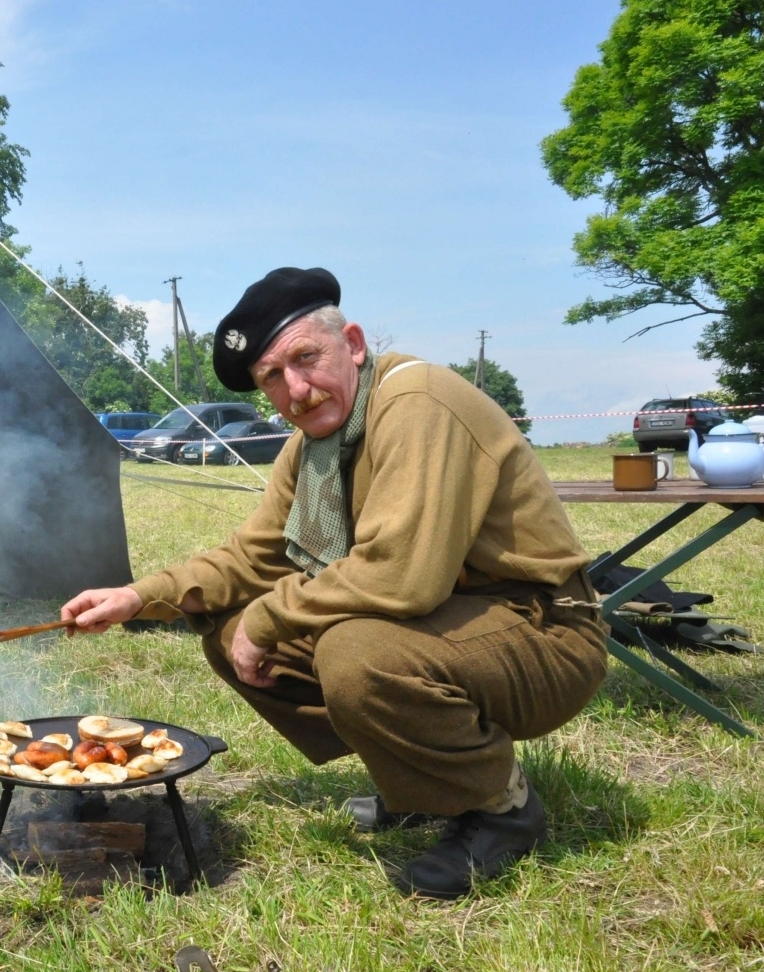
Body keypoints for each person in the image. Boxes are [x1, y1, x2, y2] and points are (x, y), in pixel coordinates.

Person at [62, 267, 606, 899]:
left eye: (305, 358)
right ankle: (423, 785)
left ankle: (501, 809)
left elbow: (401, 577)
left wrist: (270, 617)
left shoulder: (417, 402)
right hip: (449, 624)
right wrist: (138, 597)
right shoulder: (313, 445)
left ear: (352, 344)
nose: (296, 390)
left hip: (543, 629)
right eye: (272, 376)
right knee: (229, 630)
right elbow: (252, 558)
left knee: (355, 653)